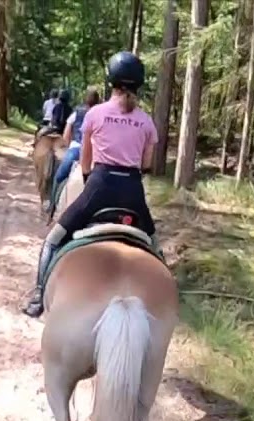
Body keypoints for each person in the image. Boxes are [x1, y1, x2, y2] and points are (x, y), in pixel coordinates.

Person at [23, 52, 158, 318]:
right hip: (133, 192)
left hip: (99, 185)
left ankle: (39, 295)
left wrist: (89, 183)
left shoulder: (96, 114)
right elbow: (146, 165)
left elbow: (85, 163)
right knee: (155, 245)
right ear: (138, 85)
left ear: (111, 82)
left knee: (52, 240)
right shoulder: (146, 121)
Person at [47, 87, 103, 213]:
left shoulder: (76, 113)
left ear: (86, 100)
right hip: (97, 152)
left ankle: (52, 205)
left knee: (60, 175)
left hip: (77, 149)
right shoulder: (102, 114)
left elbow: (66, 137)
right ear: (98, 100)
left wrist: (68, 145)